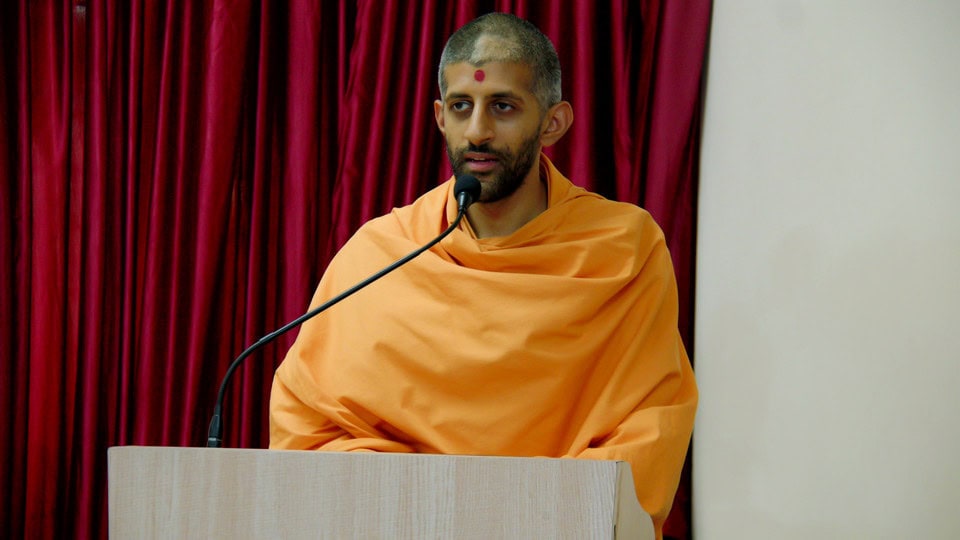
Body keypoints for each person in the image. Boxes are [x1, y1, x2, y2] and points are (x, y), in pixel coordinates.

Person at [269, 12, 697, 537]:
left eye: (503, 106)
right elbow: (307, 425)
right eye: (461, 106)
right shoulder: (380, 254)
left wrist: (509, 517)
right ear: (439, 117)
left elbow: (649, 429)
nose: (477, 132)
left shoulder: (623, 249)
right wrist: (428, 510)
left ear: (554, 122)